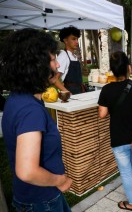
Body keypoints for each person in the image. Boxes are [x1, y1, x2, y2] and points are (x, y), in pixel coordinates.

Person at [0, 29, 72, 212]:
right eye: (53, 59)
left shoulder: (18, 98)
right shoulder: (30, 111)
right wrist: (60, 180)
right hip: (42, 201)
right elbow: (27, 171)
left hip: (32, 198)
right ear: (36, 65)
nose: (57, 65)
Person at [98, 51, 132, 211]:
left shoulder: (106, 90)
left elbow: (102, 114)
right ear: (128, 68)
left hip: (119, 138)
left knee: (126, 172)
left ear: (112, 70)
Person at [54, 26, 84, 95]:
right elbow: (55, 79)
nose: (77, 42)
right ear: (66, 40)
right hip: (71, 96)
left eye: (77, 39)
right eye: (73, 39)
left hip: (79, 92)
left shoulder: (74, 56)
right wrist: (67, 93)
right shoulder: (63, 56)